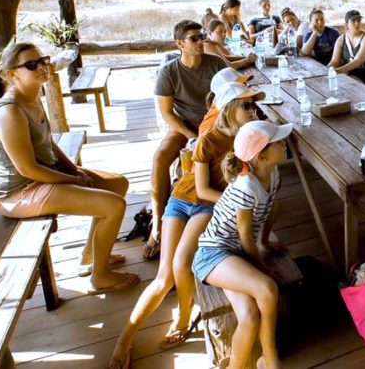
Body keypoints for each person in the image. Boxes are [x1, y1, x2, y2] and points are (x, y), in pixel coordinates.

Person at [110, 83, 264, 369]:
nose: (253, 110)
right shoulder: (211, 138)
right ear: (230, 108)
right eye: (247, 105)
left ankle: (183, 316)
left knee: (182, 264)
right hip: (183, 199)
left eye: (254, 105)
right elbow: (203, 189)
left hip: (206, 208)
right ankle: (124, 339)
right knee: (164, 276)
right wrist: (238, 203)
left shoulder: (248, 141)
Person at [0, 43, 139, 293]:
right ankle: (100, 277)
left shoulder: (32, 98)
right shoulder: (10, 112)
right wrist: (73, 181)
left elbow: (49, 144)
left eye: (42, 60)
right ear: (12, 74)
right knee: (114, 205)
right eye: (31, 65)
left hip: (41, 177)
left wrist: (74, 171)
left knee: (117, 184)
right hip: (18, 192)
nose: (41, 67)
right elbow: (27, 170)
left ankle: (92, 254)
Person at [192, 120, 293, 369]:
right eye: (278, 142)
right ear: (261, 156)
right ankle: (270, 360)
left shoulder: (272, 174)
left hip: (233, 254)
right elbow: (244, 234)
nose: (284, 144)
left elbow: (270, 210)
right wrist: (260, 264)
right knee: (268, 288)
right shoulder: (246, 187)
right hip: (213, 254)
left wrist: (265, 243)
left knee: (249, 315)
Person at [145, 20, 227, 260]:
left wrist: (207, 130)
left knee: (203, 164)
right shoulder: (169, 71)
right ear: (180, 43)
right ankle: (157, 223)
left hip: (212, 125)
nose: (201, 42)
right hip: (184, 127)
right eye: (194, 38)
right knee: (160, 158)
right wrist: (192, 135)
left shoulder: (216, 64)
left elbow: (228, 99)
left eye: (202, 37)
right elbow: (167, 113)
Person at [330, 10, 365, 88]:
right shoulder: (341, 39)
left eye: (359, 21)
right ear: (346, 25)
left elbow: (358, 61)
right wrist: (328, 69)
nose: (357, 24)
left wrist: (338, 71)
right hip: (348, 73)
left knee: (347, 83)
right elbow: (335, 61)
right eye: (353, 21)